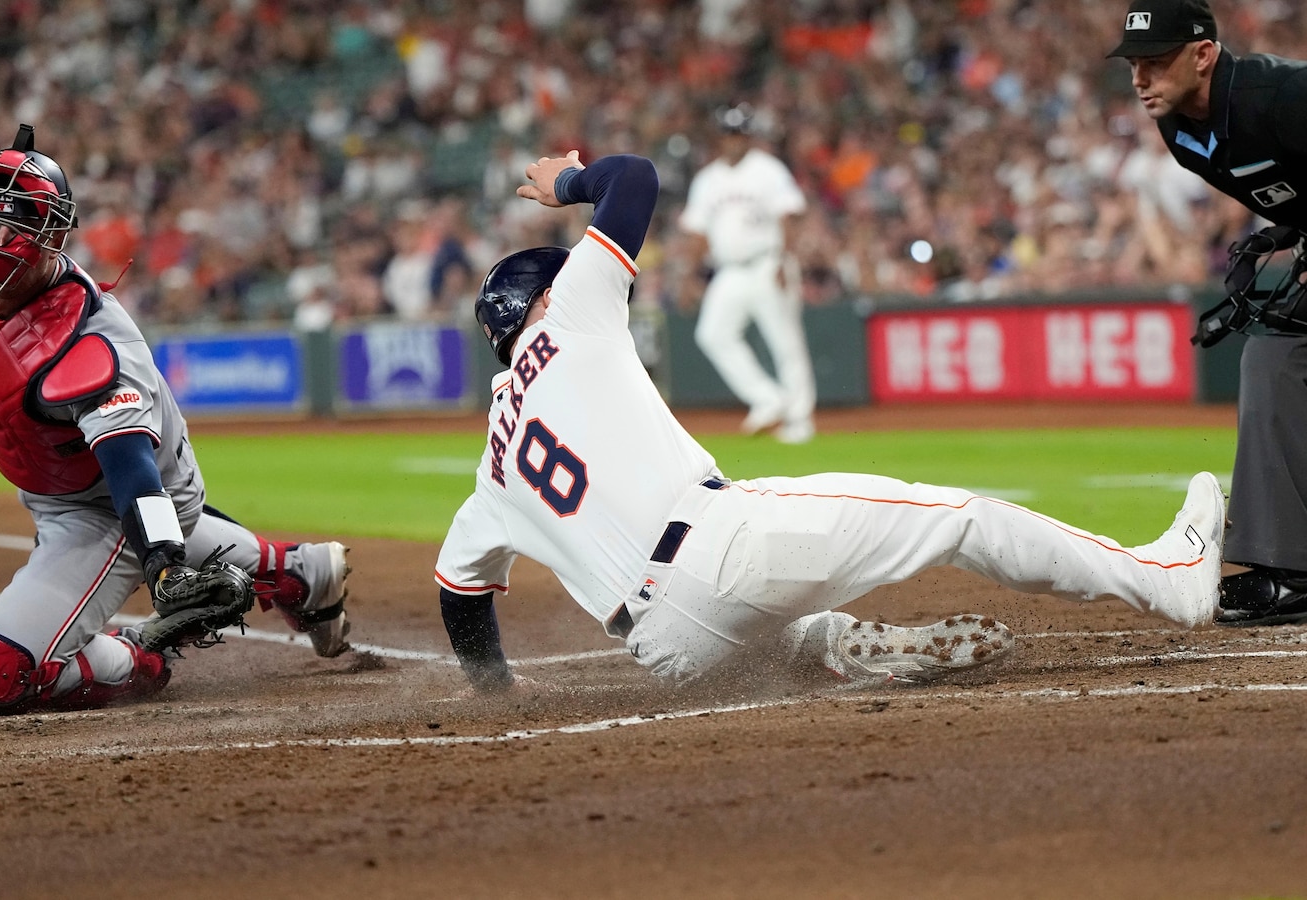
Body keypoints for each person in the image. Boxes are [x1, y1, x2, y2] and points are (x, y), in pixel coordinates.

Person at [433, 148, 1226, 694]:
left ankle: (844, 648)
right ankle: (1169, 583)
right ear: (542, 300)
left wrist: (496, 690)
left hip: (667, 652)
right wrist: (570, 181)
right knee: (960, 517)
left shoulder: (491, 470)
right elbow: (633, 180)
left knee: (784, 623)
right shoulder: (568, 316)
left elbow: (458, 595)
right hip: (722, 551)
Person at [0, 125, 354, 715]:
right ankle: (298, 573)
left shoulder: (88, 344)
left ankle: (138, 655)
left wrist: (164, 567)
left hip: (113, 500)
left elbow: (131, 472)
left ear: (42, 241)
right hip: (65, 487)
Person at [1108, 0, 1307, 626]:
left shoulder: (1282, 94)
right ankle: (1290, 570)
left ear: (1203, 55)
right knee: (1274, 355)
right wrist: (1286, 232)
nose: (1141, 79)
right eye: (1135, 64)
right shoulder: (1182, 133)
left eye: (1156, 62)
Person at [681, 103, 816, 443]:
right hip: (729, 271)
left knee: (785, 342)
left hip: (768, 262)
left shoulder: (767, 170)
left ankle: (799, 419)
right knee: (712, 334)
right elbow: (698, 232)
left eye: (739, 133)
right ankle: (768, 398)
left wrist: (785, 260)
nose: (733, 140)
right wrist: (689, 275)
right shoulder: (707, 179)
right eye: (728, 133)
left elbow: (788, 216)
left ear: (748, 136)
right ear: (719, 137)